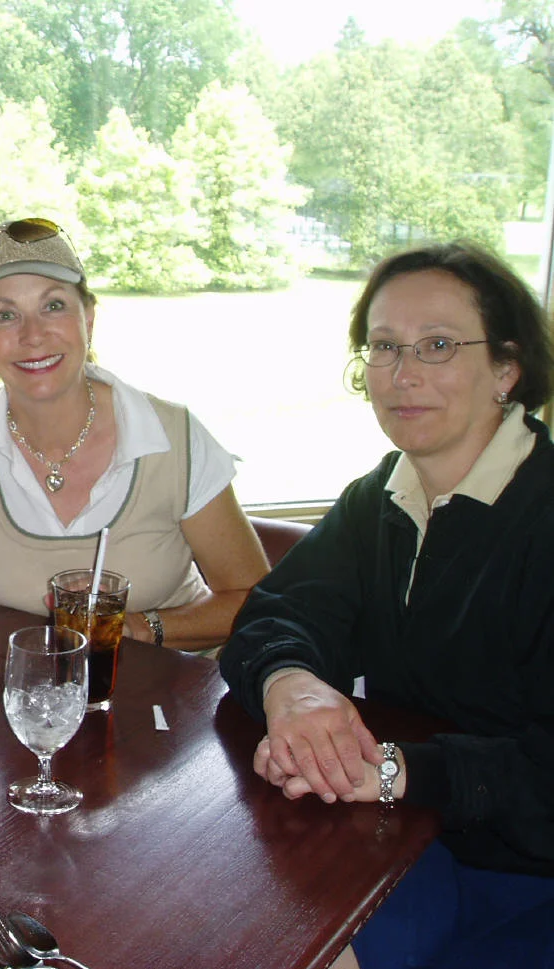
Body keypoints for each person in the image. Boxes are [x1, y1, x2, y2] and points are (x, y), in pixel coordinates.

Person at [219, 242, 554, 969]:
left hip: (527, 870)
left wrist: (399, 771)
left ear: (507, 367)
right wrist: (295, 689)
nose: (402, 375)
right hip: (409, 839)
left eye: (437, 345)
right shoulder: (382, 496)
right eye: (383, 347)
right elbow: (272, 616)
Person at [0, 217, 268, 649]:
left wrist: (140, 628)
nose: (33, 335)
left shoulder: (173, 438)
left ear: (88, 317)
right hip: (38, 698)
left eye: (53, 306)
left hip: (176, 696)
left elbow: (253, 602)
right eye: (5, 315)